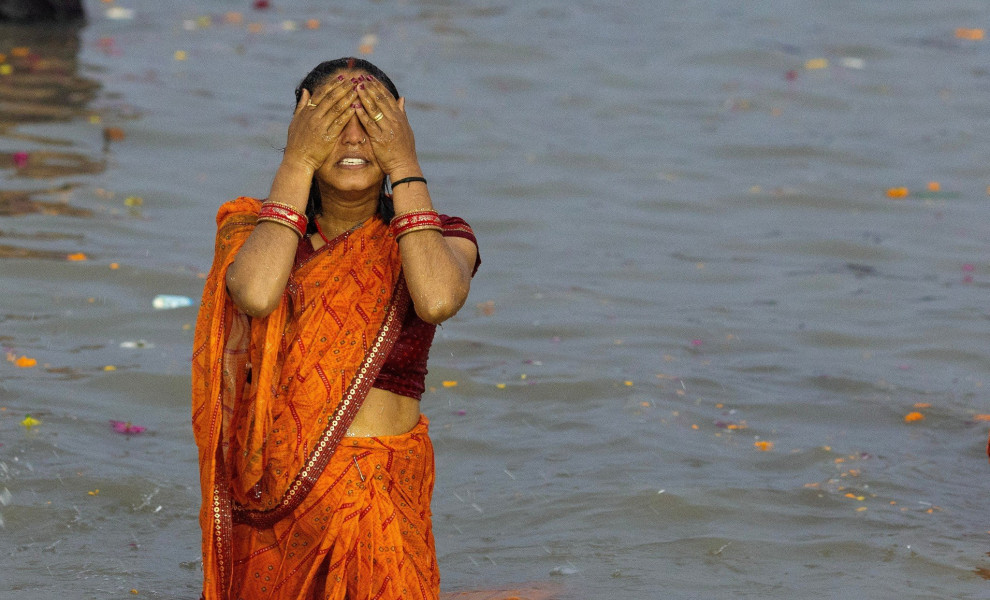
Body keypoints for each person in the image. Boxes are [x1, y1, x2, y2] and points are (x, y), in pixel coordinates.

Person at [191, 57, 480, 600]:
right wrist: (296, 162)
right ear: (300, 128)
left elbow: (438, 299)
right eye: (330, 120)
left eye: (370, 121)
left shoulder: (436, 237)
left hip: (383, 501)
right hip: (280, 511)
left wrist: (406, 162)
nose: (353, 137)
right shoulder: (255, 232)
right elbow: (254, 294)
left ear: (398, 126)